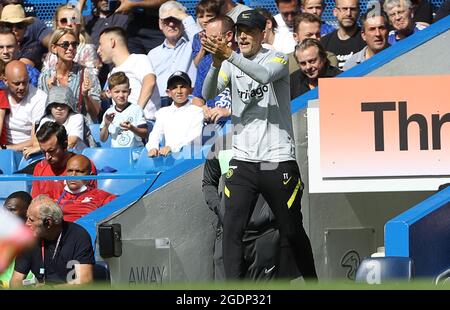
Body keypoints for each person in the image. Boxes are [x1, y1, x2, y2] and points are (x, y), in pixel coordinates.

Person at [202, 9, 317, 280]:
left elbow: (264, 76)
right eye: (239, 31)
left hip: (276, 157)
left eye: (249, 31)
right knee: (231, 228)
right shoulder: (231, 62)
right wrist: (217, 63)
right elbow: (208, 93)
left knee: (291, 229)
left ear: (262, 33)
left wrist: (228, 56)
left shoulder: (277, 57)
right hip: (243, 160)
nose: (242, 37)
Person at [203, 134, 301, 280]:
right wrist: (221, 209)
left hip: (263, 237)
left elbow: (292, 183)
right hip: (227, 236)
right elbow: (208, 183)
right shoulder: (221, 144)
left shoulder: (274, 144)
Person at [10, 194, 95, 287]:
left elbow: (84, 281)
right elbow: (16, 281)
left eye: (31, 220)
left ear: (48, 222)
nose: (27, 224)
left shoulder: (78, 236)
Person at [97, 26, 160, 123]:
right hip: (121, 125)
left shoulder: (139, 59)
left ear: (112, 42)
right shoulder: (111, 74)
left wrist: (136, 112)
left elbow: (150, 82)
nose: (98, 50)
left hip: (144, 122)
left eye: (100, 44)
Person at [39, 29, 101, 124]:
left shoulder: (87, 74)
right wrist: (53, 91)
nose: (71, 48)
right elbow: (43, 112)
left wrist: (85, 96)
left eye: (74, 44)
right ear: (54, 48)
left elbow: (95, 113)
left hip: (81, 131)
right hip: (56, 132)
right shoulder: (45, 77)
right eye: (65, 44)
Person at [148, 1, 201, 106]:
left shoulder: (192, 44)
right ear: (160, 23)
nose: (171, 24)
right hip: (161, 106)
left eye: (176, 19)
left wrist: (184, 16)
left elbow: (202, 42)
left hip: (188, 104)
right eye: (167, 20)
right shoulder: (152, 54)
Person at [31, 121, 97, 200]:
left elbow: (90, 201)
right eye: (43, 151)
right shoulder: (40, 168)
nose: (47, 157)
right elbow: (36, 202)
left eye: (52, 151)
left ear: (65, 144)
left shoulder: (83, 165)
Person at [23, 86, 92, 158]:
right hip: (52, 157)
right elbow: (36, 143)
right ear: (49, 106)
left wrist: (41, 148)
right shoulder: (46, 119)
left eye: (63, 105)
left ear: (69, 106)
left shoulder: (77, 118)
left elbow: (71, 143)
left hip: (75, 157)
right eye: (55, 105)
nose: (59, 108)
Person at [146, 71, 203, 157]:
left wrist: (172, 147)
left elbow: (194, 137)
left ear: (191, 90)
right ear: (168, 92)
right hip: (168, 158)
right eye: (174, 87)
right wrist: (153, 147)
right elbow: (155, 134)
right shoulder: (163, 112)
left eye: (183, 87)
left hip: (189, 159)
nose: (179, 91)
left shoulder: (197, 111)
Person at [192, 15, 234, 126]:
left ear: (229, 36)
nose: (208, 42)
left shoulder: (243, 60)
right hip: (213, 126)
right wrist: (203, 108)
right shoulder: (205, 62)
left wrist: (229, 111)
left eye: (213, 38)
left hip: (241, 123)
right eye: (207, 38)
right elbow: (197, 99)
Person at [42, 3, 101, 74]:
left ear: (79, 23)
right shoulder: (52, 53)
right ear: (57, 25)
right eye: (64, 21)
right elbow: (45, 77)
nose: (69, 24)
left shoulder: (87, 50)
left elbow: (92, 77)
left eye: (73, 20)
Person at [3, 60, 46, 151]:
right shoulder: (2, 95)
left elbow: (35, 141)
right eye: (17, 83)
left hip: (27, 152)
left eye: (25, 82)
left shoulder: (39, 98)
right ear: (5, 81)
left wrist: (5, 148)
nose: (22, 87)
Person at [59, 154, 116, 222]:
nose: (73, 175)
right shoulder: (57, 194)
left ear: (90, 176)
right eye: (70, 171)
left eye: (79, 171)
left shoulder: (103, 197)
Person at [100, 72, 148, 147]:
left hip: (135, 153)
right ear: (109, 92)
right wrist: (106, 125)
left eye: (124, 91)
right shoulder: (108, 113)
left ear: (129, 92)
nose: (121, 95)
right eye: (117, 92)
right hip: (117, 154)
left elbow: (145, 134)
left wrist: (132, 128)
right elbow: (103, 139)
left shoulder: (136, 109)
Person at [320, 0, 366, 69]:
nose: (348, 13)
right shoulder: (324, 43)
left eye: (353, 9)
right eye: (344, 9)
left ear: (359, 12)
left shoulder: (367, 40)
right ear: (335, 12)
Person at [0, 191, 33, 288]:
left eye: (11, 210)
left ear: (28, 212)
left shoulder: (38, 241)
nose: (6, 215)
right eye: (5, 210)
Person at [0, 4, 45, 68]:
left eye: (19, 25)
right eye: (9, 26)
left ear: (25, 28)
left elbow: (18, 70)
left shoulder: (33, 47)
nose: (14, 30)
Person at [192, 0, 222, 68]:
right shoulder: (197, 37)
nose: (205, 20)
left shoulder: (224, 34)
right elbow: (196, 64)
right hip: (203, 78)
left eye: (209, 16)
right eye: (201, 17)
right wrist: (203, 48)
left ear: (218, 16)